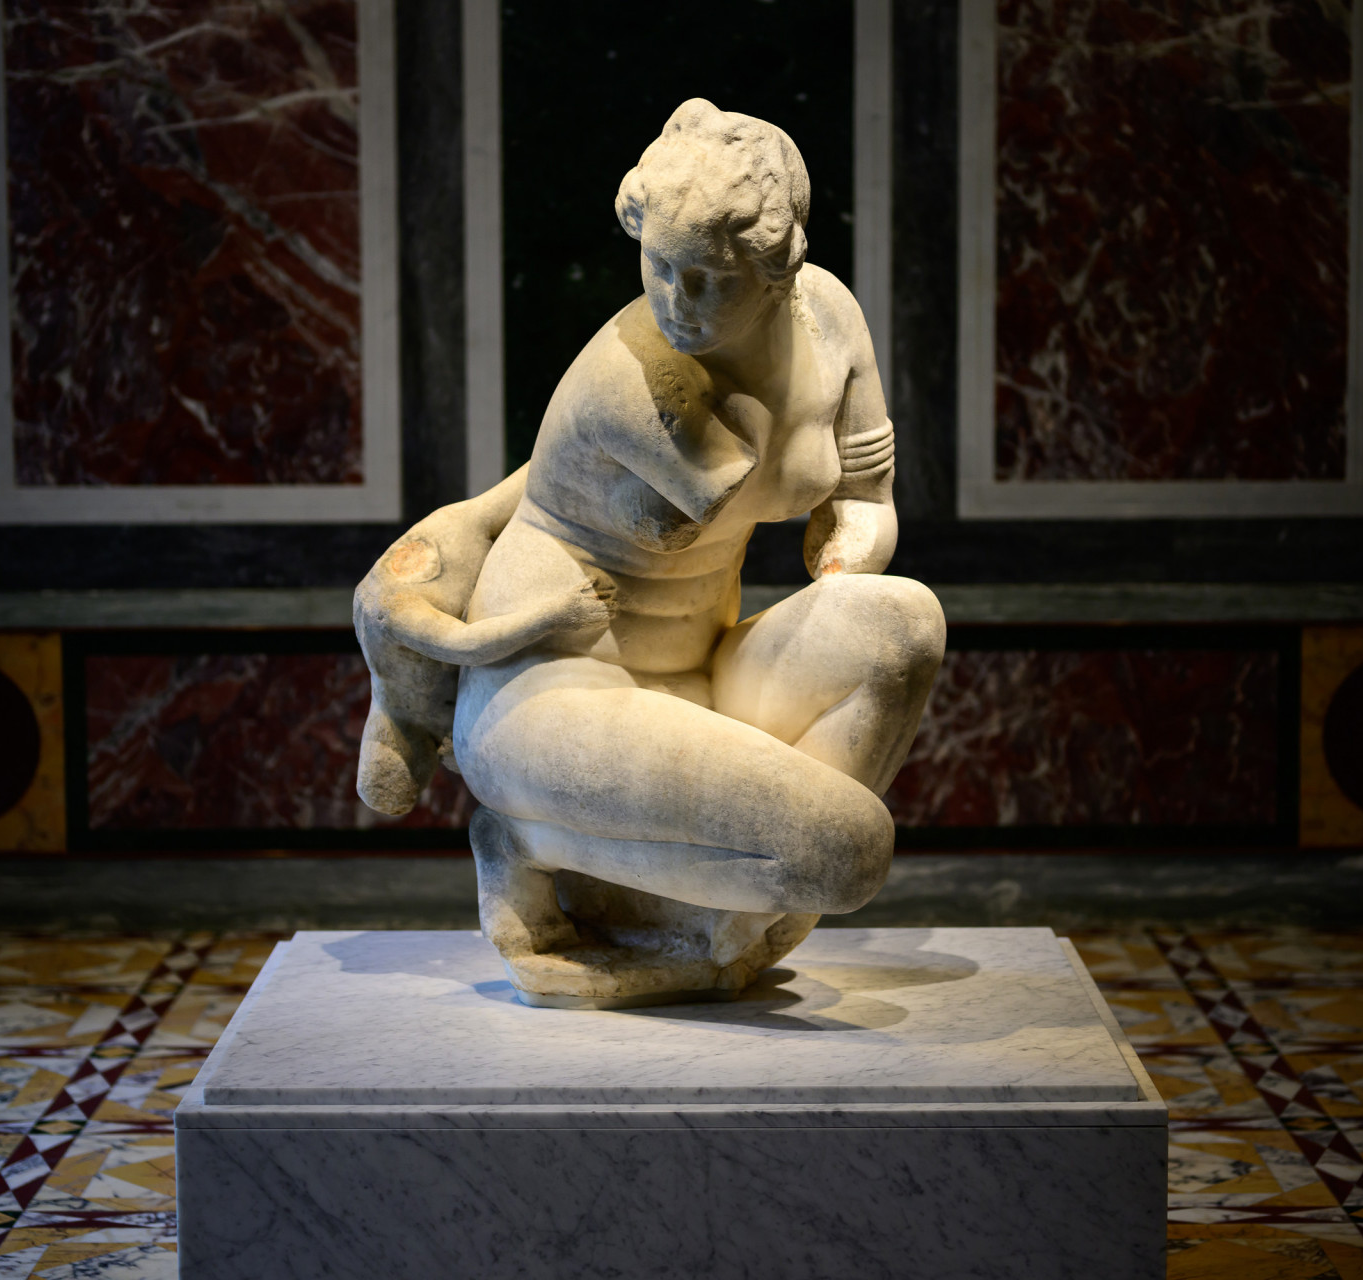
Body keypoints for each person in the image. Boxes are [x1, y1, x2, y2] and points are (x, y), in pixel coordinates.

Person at [360, 99, 944, 966]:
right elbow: (734, 464)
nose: (675, 301)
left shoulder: (830, 318)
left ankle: (737, 890)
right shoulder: (636, 381)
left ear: (778, 269)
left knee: (904, 621)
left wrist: (842, 567)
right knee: (846, 853)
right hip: (555, 693)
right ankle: (528, 840)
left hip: (704, 671)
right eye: (659, 265)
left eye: (708, 277)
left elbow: (864, 498)